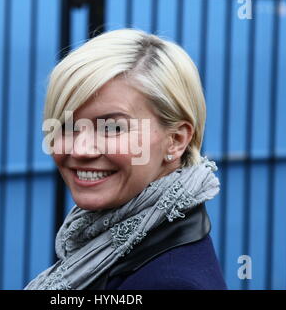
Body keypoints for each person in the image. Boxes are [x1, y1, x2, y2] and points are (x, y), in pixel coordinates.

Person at [25, 29, 227, 290]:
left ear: (176, 140)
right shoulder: (106, 244)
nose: (81, 149)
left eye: (112, 128)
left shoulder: (170, 283)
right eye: (67, 125)